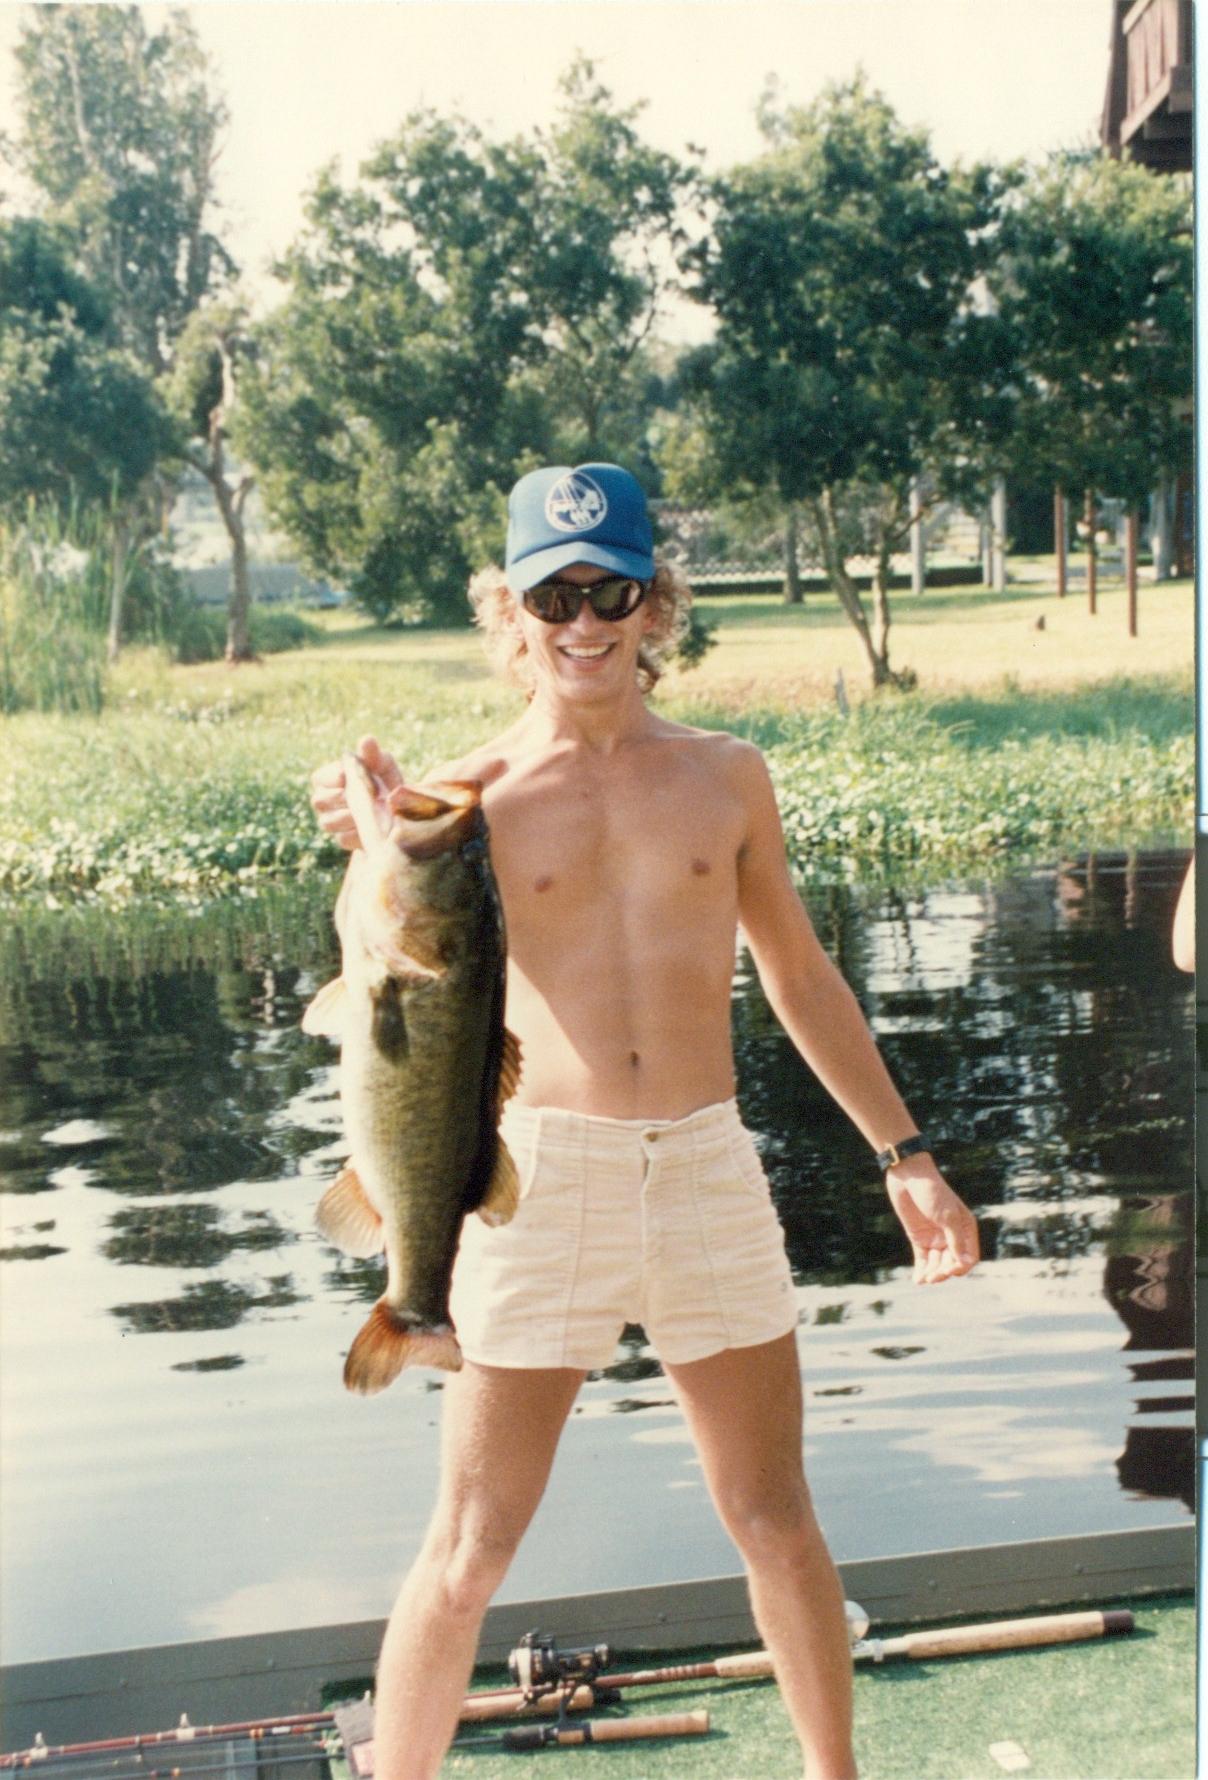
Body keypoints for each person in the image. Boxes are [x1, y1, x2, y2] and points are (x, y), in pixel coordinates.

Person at [310, 462, 980, 1780]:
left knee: (774, 1515)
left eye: (609, 588)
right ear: (511, 610)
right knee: (469, 1547)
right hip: (532, 1177)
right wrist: (357, 828)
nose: (583, 619)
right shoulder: (465, 799)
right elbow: (379, 954)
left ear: (653, 602)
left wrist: (904, 1156)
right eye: (552, 592)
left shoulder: (728, 779)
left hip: (706, 1167)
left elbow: (798, 977)